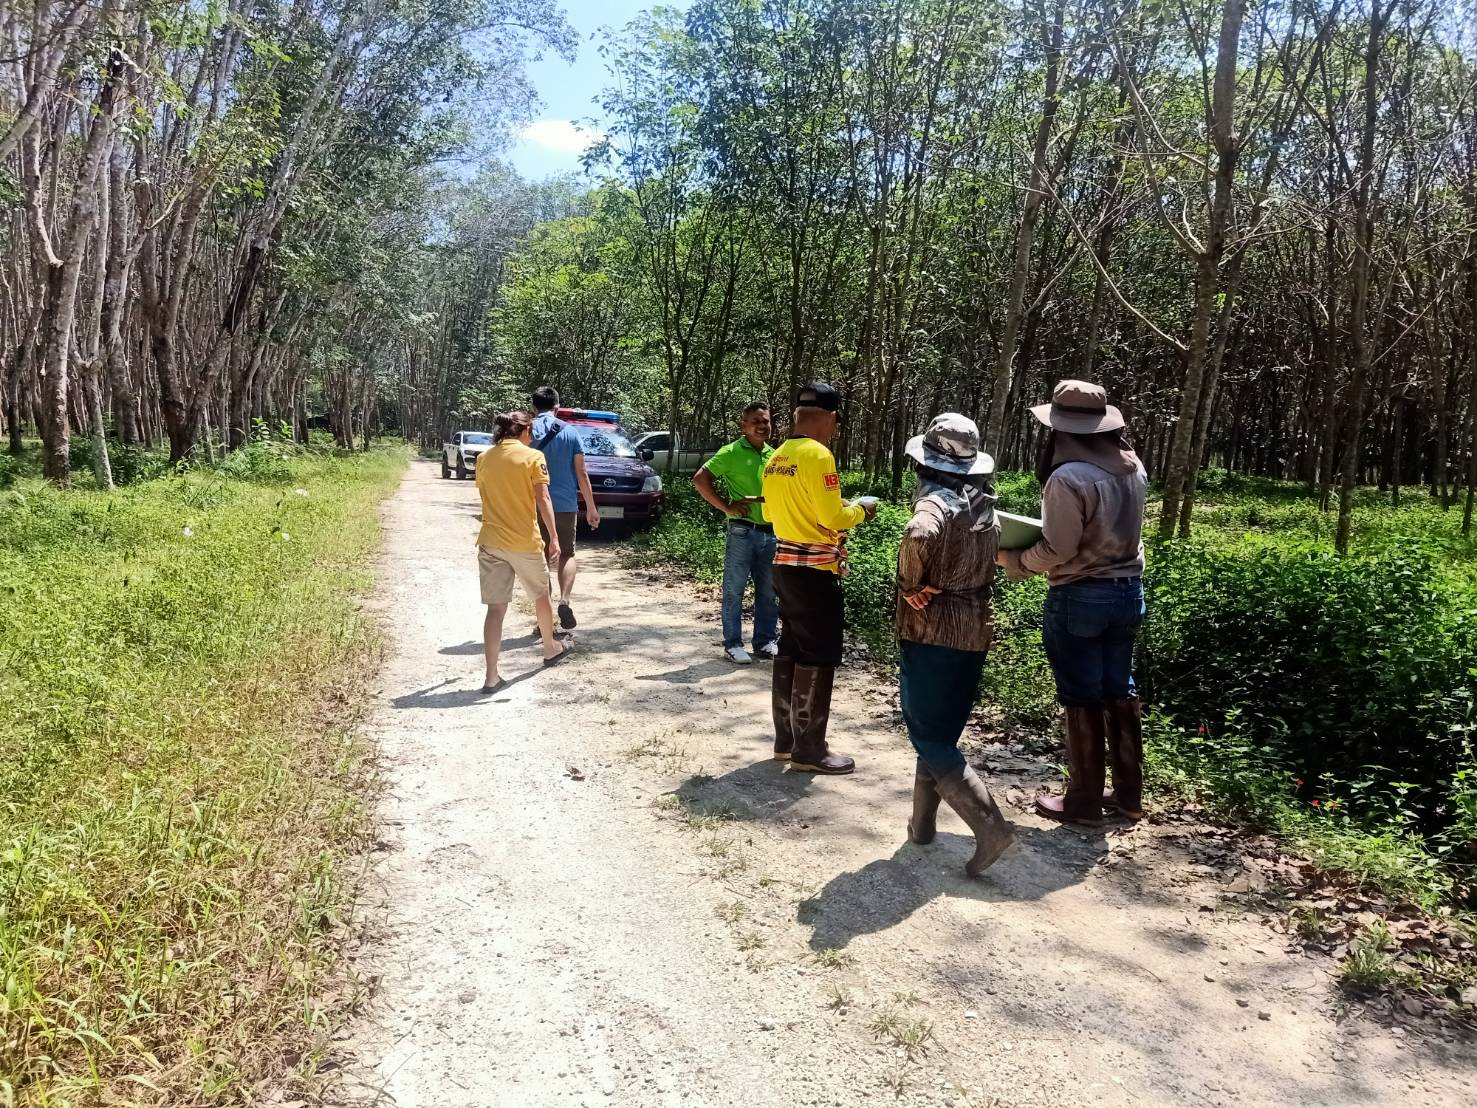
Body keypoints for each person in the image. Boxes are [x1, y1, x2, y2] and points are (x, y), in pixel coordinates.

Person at [999, 380, 1148, 826]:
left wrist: (1013, 560)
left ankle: (1083, 802)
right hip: (1127, 592)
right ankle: (1128, 797)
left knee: (1081, 695)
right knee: (1119, 690)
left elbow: (1059, 548)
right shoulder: (1132, 466)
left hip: (1080, 595)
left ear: (1060, 429)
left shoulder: (1069, 477)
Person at [895, 413, 1014, 876]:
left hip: (933, 631)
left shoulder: (933, 507)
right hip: (974, 629)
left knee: (927, 733)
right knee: (942, 733)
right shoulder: (985, 506)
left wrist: (910, 584)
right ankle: (921, 826)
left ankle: (990, 827)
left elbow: (918, 534)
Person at [761, 382, 877, 775]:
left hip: (784, 563)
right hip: (814, 570)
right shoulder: (818, 455)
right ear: (831, 418)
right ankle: (810, 750)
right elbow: (832, 519)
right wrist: (861, 511)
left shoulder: (777, 456)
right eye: (836, 424)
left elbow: (775, 513)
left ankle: (786, 740)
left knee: (791, 645)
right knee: (820, 652)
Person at [475, 410, 574, 693]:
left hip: (491, 541)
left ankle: (491, 676)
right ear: (525, 431)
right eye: (531, 433)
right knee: (541, 596)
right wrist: (554, 537)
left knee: (496, 609)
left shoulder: (484, 459)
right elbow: (542, 498)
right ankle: (550, 648)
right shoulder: (533, 457)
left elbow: (485, 495)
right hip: (524, 542)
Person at [694, 403, 778, 665]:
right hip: (742, 532)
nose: (762, 426)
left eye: (765, 421)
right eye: (756, 421)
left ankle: (764, 641)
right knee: (734, 590)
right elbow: (700, 479)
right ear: (744, 425)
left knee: (769, 592)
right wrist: (726, 507)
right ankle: (733, 644)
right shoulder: (730, 452)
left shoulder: (775, 455)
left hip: (772, 533)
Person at [530, 386, 600, 632]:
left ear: (533, 407)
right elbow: (581, 472)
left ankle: (544, 619)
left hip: (533, 504)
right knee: (567, 554)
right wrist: (591, 507)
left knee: (539, 559)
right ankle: (565, 600)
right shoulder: (570, 432)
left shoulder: (525, 431)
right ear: (557, 406)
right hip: (565, 504)